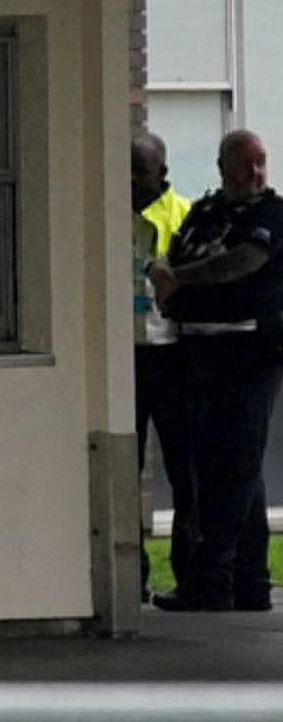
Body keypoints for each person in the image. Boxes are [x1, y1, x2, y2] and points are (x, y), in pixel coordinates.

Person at [153, 128, 283, 612]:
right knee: (227, 464)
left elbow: (241, 263)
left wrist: (178, 278)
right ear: (222, 166)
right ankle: (250, 583)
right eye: (246, 163)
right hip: (199, 350)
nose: (256, 172)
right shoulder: (207, 212)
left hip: (249, 350)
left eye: (262, 162)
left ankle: (210, 581)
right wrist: (163, 268)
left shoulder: (272, 213)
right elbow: (179, 249)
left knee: (234, 466)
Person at [135, 127, 190, 599]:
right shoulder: (109, 211)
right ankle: (130, 577)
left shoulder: (184, 216)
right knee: (123, 468)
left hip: (172, 354)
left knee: (183, 466)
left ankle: (189, 572)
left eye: (141, 171)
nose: (132, 181)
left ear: (163, 173)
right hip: (125, 355)